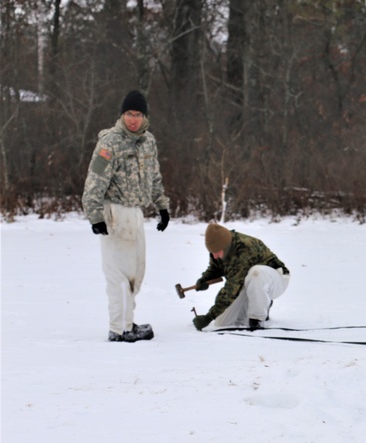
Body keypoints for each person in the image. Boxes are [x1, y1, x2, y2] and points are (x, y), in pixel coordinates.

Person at [82, 90, 170, 342]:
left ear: (145, 117)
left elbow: (154, 177)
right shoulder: (109, 142)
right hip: (115, 212)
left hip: (135, 214)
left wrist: (162, 206)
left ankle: (127, 323)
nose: (133, 119)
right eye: (129, 114)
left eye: (138, 114)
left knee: (136, 273)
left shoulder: (148, 141)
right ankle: (119, 328)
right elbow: (95, 180)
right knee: (118, 274)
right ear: (122, 115)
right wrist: (95, 215)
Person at [191, 223, 290, 331]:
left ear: (225, 246)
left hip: (275, 279)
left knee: (255, 273)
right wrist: (205, 280)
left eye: (216, 252)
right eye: (212, 253)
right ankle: (254, 307)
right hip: (246, 283)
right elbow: (215, 268)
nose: (214, 256)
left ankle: (257, 318)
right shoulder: (219, 248)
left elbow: (231, 289)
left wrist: (208, 317)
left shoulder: (245, 249)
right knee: (222, 323)